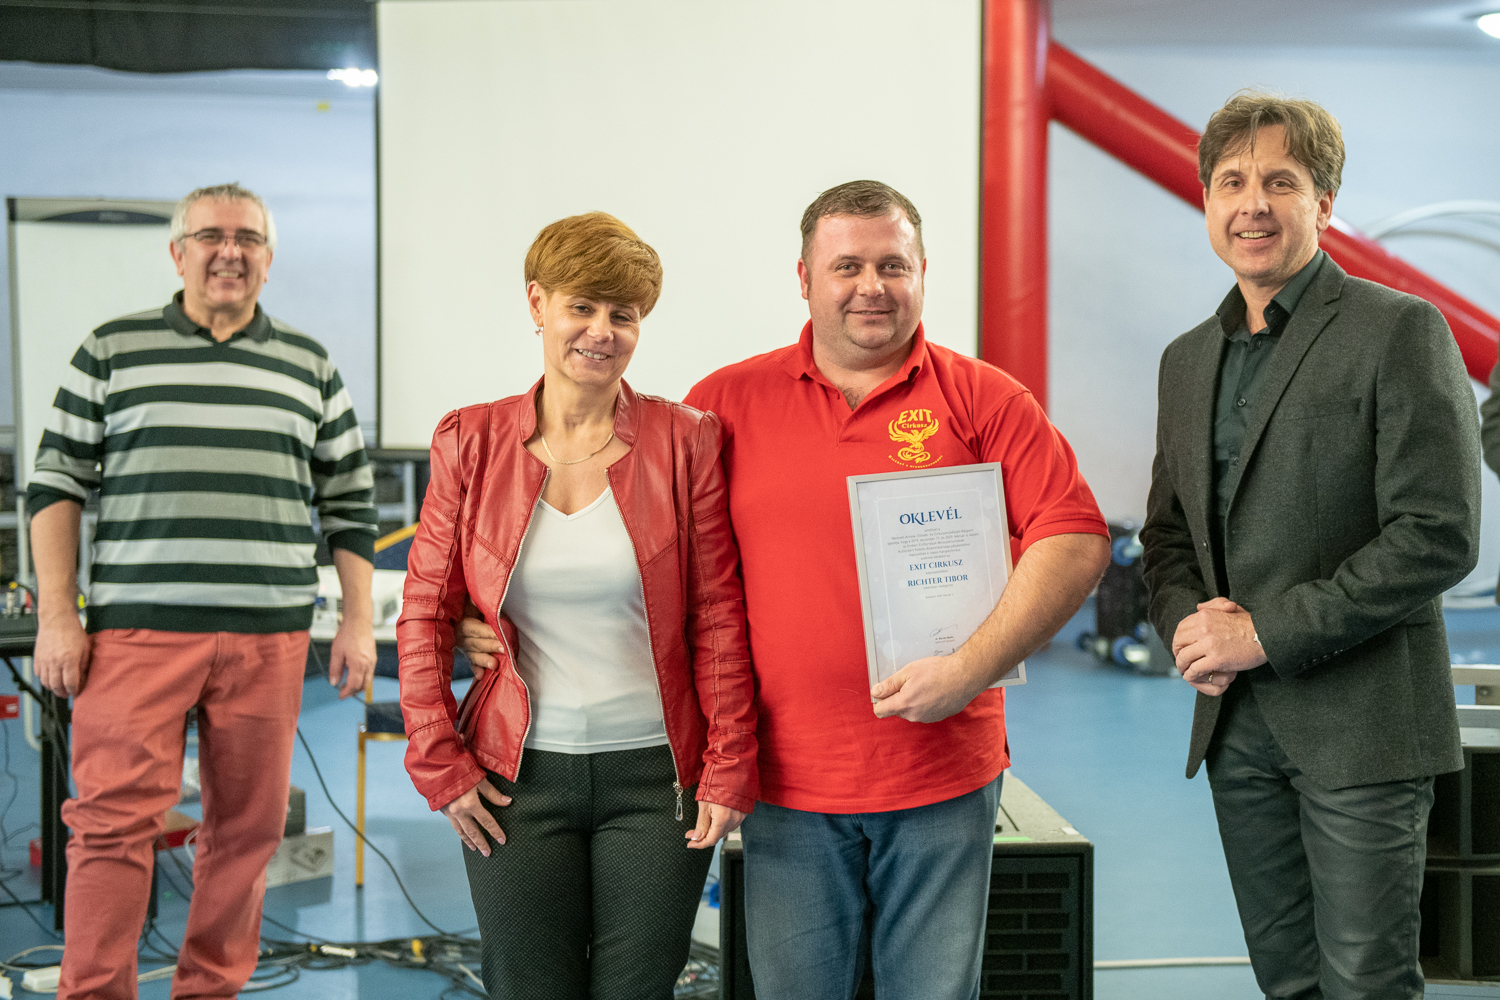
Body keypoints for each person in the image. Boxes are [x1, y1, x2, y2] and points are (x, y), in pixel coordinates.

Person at [687, 180, 1108, 998]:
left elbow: (1074, 539)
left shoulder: (984, 399)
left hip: (941, 778)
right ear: (804, 278)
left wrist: (968, 669)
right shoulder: (723, 404)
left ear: (921, 274)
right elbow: (664, 561)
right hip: (784, 779)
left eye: (893, 265)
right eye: (846, 266)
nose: (871, 286)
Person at [1140, 92, 1478, 1000]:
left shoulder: (1398, 329)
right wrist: (1189, 628)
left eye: (1280, 182)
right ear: (1207, 201)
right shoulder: (1186, 359)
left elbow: (1438, 533)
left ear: (1324, 203)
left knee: (1366, 983)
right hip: (1238, 727)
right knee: (1286, 981)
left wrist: (1264, 633)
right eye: (1232, 182)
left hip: (1364, 726)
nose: (1252, 204)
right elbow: (1166, 534)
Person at [28, 182, 378, 999]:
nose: (230, 251)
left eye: (248, 238)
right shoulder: (111, 349)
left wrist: (358, 622)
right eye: (212, 236)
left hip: (269, 637)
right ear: (177, 252)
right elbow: (55, 483)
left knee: (248, 833)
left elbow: (351, 506)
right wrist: (58, 616)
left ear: (269, 258)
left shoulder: (309, 365)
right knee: (112, 827)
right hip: (136, 634)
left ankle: (210, 990)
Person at [397, 211, 757, 1000]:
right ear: (538, 304)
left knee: (638, 987)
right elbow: (424, 613)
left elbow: (717, 617)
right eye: (582, 307)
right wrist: (439, 761)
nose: (602, 331)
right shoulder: (470, 441)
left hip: (657, 779)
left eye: (622, 314)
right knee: (528, 985)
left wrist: (729, 763)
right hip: (513, 777)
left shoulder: (685, 440)